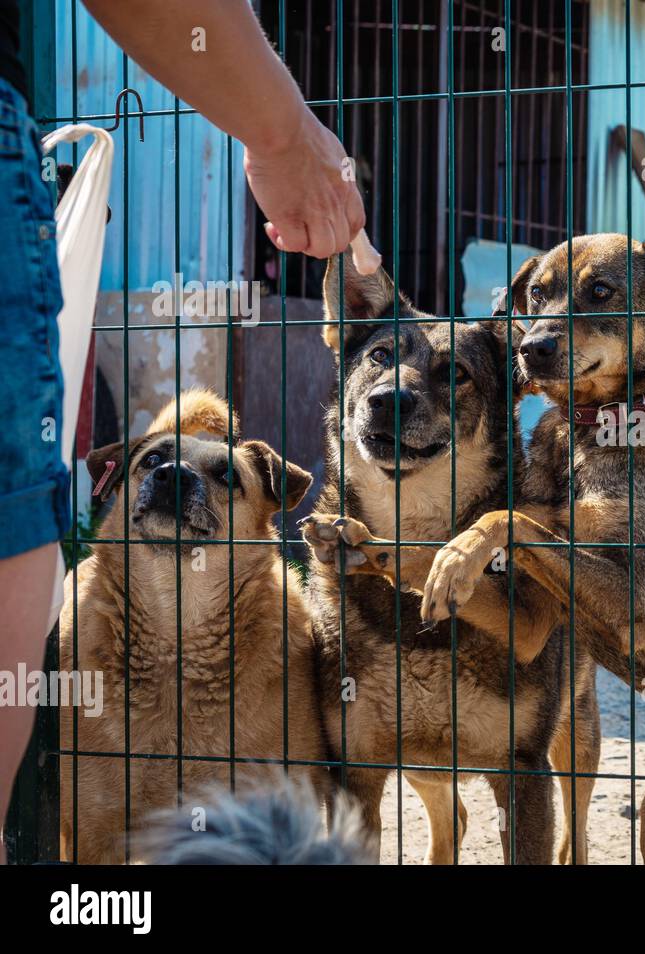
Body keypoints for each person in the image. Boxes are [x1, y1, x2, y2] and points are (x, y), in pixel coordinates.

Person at [0, 0, 365, 861]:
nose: (176, 478)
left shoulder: (289, 655)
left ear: (265, 512)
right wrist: (279, 135)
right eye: (156, 466)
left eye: (215, 477)